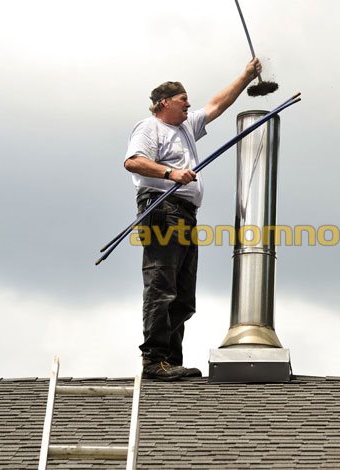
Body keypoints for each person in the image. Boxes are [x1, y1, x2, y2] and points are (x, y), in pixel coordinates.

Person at [124, 58, 263, 380]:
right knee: (163, 285)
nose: (189, 104)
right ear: (164, 103)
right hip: (162, 209)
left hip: (184, 214)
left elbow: (217, 104)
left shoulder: (185, 127)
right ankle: (154, 360)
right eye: (183, 99)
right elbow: (133, 162)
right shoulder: (150, 128)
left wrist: (245, 76)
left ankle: (170, 360)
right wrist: (170, 172)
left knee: (183, 295)